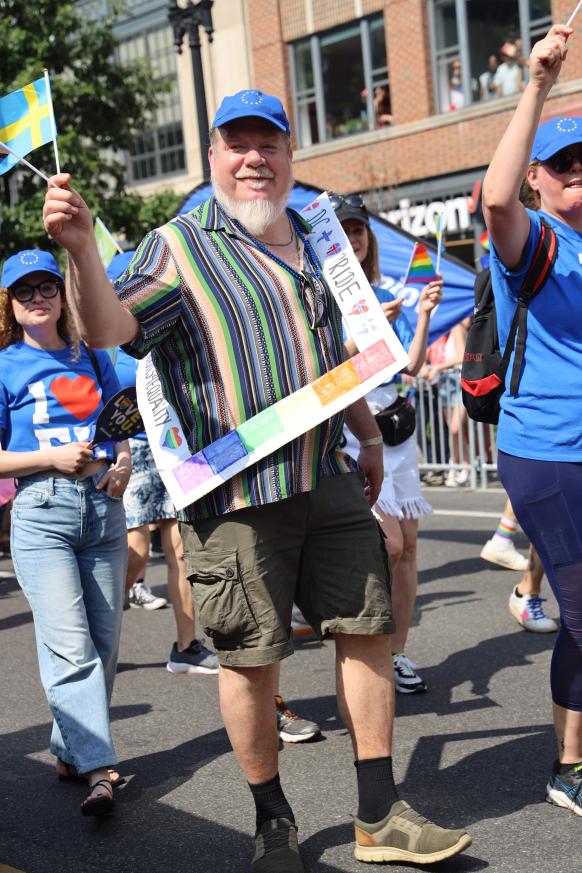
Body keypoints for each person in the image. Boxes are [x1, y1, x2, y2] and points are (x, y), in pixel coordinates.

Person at [43, 89, 471, 868]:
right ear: (213, 158)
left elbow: (337, 354)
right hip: (232, 494)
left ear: (288, 154)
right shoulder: (178, 243)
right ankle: (272, 819)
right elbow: (109, 328)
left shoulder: (314, 235)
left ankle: (381, 812)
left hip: (328, 473)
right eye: (236, 144)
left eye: (268, 144)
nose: (253, 159)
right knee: (250, 657)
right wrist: (78, 252)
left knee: (368, 631)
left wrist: (368, 434)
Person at [483, 22, 582, 815]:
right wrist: (538, 85)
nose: (578, 177)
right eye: (564, 167)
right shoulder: (531, 238)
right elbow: (493, 195)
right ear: (542, 181)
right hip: (548, 455)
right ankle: (567, 766)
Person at [0, 250, 129, 817]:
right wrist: (49, 457)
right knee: (71, 647)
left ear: (61, 295)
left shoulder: (90, 353)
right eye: (23, 290)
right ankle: (99, 770)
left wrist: (123, 458)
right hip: (42, 513)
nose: (37, 298)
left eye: (46, 288)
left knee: (103, 647)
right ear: (8, 302)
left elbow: (119, 420)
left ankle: (68, 747)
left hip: (104, 512)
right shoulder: (3, 365)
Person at [332, 192, 442, 694]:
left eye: (358, 230)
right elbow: (331, 371)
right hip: (355, 439)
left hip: (399, 436)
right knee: (390, 545)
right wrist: (370, 329)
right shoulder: (321, 297)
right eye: (344, 231)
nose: (353, 239)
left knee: (410, 548)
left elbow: (411, 367)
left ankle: (396, 652)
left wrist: (419, 316)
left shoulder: (387, 290)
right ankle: (362, 646)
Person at [106, 251, 219, 674]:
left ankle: (186, 646)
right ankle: (104, 625)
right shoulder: (107, 345)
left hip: (172, 446)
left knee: (180, 548)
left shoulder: (168, 330)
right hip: (131, 451)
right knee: (136, 549)